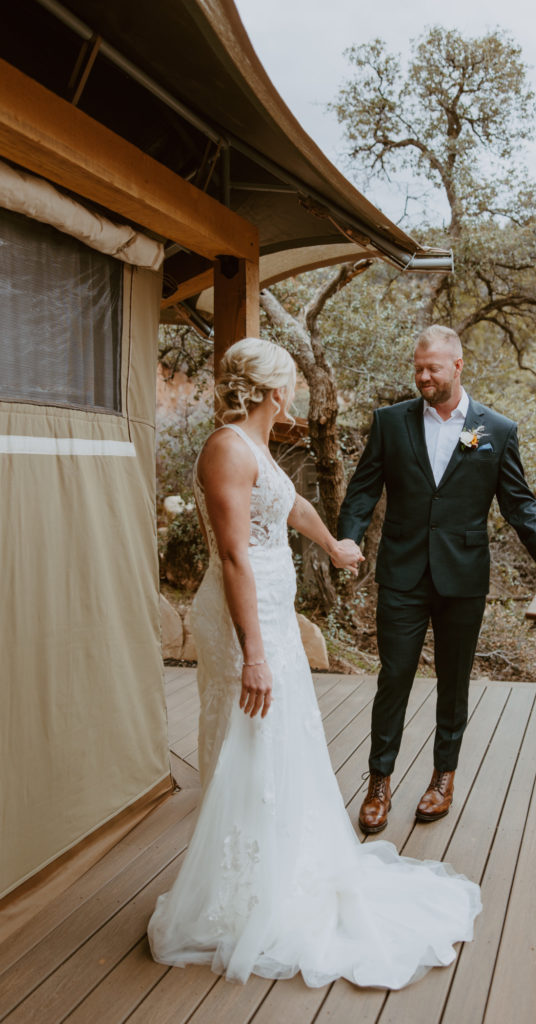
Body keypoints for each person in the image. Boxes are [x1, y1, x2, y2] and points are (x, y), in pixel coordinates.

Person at [147, 337, 482, 989]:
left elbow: (289, 504)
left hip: (270, 616)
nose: (295, 393)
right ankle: (243, 889)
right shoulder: (224, 448)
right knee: (251, 735)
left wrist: (331, 543)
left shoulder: (255, 446)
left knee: (283, 736)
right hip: (245, 623)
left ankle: (281, 863)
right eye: (292, 384)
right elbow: (237, 554)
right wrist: (253, 654)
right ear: (275, 391)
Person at [338, 324, 536, 835]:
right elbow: (363, 489)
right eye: (418, 367)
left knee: (453, 684)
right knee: (393, 679)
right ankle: (378, 781)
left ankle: (442, 777)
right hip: (402, 574)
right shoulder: (389, 422)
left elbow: (517, 498)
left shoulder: (496, 429)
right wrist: (349, 538)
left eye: (432, 367)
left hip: (463, 578)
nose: (423, 376)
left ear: (458, 365)